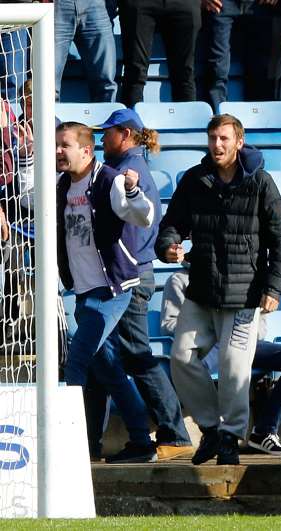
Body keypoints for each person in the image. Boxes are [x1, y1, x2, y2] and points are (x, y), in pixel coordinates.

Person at [155, 114, 281, 466]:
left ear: (239, 142)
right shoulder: (193, 180)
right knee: (181, 358)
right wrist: (169, 246)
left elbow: (280, 242)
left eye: (224, 139)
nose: (217, 145)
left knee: (233, 370)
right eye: (213, 137)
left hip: (245, 296)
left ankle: (230, 438)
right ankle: (212, 430)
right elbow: (171, 226)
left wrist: (274, 287)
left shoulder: (262, 183)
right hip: (200, 290)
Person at [83, 109, 194, 461]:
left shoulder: (126, 173)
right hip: (127, 275)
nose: (102, 140)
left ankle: (174, 434)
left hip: (129, 277)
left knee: (134, 353)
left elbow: (133, 232)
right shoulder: (134, 168)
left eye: (109, 133)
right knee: (102, 356)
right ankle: (89, 442)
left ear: (126, 135)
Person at [56, 121, 157, 463]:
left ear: (86, 150)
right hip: (84, 292)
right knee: (109, 368)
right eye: (56, 145)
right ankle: (141, 442)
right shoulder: (60, 186)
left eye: (64, 145)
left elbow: (144, 217)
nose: (58, 152)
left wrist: (131, 191)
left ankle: (65, 446)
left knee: (76, 364)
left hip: (112, 290)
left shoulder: (110, 179)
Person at [160, 267, 281, 456]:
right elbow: (168, 324)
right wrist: (208, 327)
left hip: (245, 342)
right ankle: (215, 431)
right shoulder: (179, 279)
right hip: (208, 347)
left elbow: (261, 329)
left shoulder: (244, 276)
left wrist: (247, 325)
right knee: (189, 364)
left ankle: (264, 431)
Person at [117, 0, 202, 106]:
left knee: (185, 73)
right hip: (139, 4)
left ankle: (187, 120)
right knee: (135, 71)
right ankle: (130, 121)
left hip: (184, 4)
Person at [54, 0, 117, 102]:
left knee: (106, 84)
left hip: (97, 5)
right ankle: (49, 118)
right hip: (56, 5)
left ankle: (105, 116)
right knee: (47, 85)